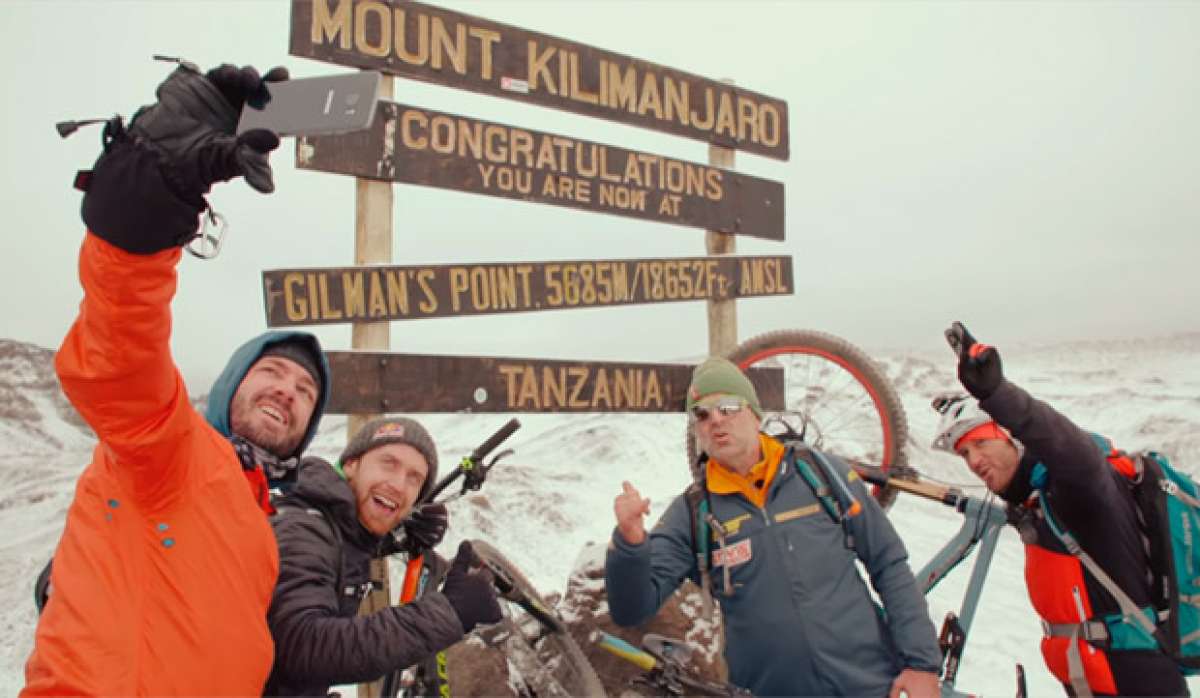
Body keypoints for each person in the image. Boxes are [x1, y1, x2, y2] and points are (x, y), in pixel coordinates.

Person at [23, 61, 332, 695]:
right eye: (272, 373)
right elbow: (117, 354)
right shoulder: (168, 450)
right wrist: (147, 198)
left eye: (306, 394)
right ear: (227, 388)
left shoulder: (259, 519)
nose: (288, 393)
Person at [605, 357, 943, 697]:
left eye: (727, 407)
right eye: (702, 414)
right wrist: (630, 544)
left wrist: (922, 665)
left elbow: (888, 563)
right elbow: (632, 608)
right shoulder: (693, 512)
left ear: (755, 413)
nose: (716, 421)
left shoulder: (819, 474)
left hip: (870, 686)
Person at [932, 322, 1188, 697]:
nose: (973, 461)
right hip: (1097, 682)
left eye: (980, 443)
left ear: (1012, 439)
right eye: (965, 453)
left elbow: (1065, 443)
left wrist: (997, 395)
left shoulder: (1079, 486)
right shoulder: (1038, 501)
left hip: (1139, 683)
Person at [264, 417, 502, 697]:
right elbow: (303, 646)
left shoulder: (333, 526)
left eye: (414, 478)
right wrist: (449, 610)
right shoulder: (303, 529)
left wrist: (396, 537)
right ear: (351, 464)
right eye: (389, 463)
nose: (399, 485)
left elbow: (344, 551)